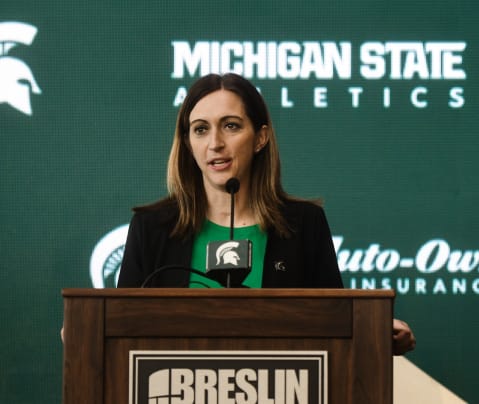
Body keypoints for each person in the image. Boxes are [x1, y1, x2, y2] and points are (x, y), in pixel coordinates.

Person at [117, 73, 415, 355]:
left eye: (231, 126)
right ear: (187, 142)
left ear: (260, 138)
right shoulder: (151, 228)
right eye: (201, 129)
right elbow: (121, 329)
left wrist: (371, 331)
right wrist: (89, 327)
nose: (215, 143)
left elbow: (332, 323)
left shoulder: (303, 225)